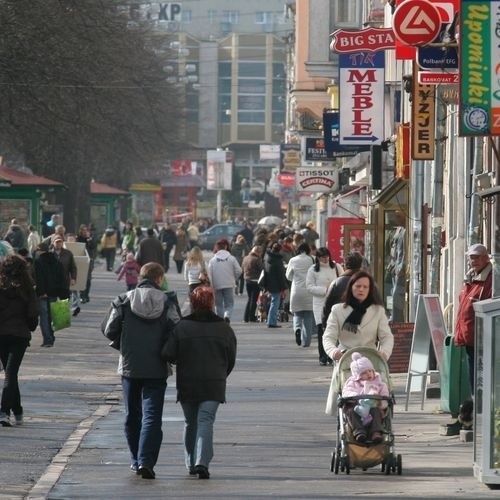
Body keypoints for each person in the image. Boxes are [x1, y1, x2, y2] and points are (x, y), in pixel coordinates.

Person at [101, 262, 181, 479]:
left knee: (132, 415)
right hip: (157, 366)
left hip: (129, 366)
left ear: (140, 277)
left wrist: (124, 341)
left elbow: (109, 330)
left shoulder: (123, 300)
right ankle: (146, 461)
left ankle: (135, 459)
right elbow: (178, 330)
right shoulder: (168, 301)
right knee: (152, 416)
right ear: (159, 279)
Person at [163, 286, 236, 479]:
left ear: (193, 303)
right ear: (212, 303)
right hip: (214, 382)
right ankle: (202, 462)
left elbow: (169, 353)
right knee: (206, 421)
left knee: (190, 422)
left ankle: (190, 461)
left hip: (188, 382)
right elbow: (231, 358)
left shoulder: (182, 327)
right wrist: (221, 373)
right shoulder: (224, 328)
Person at [323, 270, 394, 416]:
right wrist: (333, 352)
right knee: (350, 399)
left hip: (371, 362)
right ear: (351, 287)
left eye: (365, 287)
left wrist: (384, 353)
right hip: (346, 361)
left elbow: (387, 337)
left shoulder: (378, 311)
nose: (361, 289)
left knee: (376, 396)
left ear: (370, 290)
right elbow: (328, 337)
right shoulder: (337, 310)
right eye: (358, 286)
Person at [448, 243, 492, 435]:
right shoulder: (471, 277)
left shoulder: (491, 278)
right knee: (474, 379)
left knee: (482, 379)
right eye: (471, 257)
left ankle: (480, 418)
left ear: (486, 258)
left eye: (476, 257)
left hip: (483, 337)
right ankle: (472, 416)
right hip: (470, 338)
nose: (472, 261)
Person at [0, 255, 39, 426]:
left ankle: (16, 411)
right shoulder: (28, 288)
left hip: (1, 335)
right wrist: (30, 326)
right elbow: (32, 316)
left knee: (10, 373)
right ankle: (5, 412)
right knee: (11, 373)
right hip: (19, 335)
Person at [306, 247, 343, 366]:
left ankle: (332, 355)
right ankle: (322, 356)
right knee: (322, 330)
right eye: (322, 257)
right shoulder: (312, 270)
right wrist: (325, 290)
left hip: (335, 303)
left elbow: (342, 281)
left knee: (334, 330)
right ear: (318, 258)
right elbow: (309, 287)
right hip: (319, 304)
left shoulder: (337, 267)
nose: (325, 259)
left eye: (327, 256)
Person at [342, 352, 389, 443]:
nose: (368, 374)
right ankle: (359, 432)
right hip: (358, 408)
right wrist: (355, 396)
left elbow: (385, 394)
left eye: (370, 371)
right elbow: (346, 392)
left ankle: (376, 432)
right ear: (357, 376)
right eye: (364, 373)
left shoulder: (379, 383)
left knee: (376, 411)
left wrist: (382, 402)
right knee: (351, 412)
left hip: (373, 407)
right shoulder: (352, 383)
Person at [33, 242, 69, 347]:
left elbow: (39, 279)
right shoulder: (57, 262)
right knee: (53, 316)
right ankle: (51, 336)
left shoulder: (38, 262)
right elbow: (63, 279)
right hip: (55, 293)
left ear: (40, 251)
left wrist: (41, 291)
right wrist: (63, 294)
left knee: (45, 317)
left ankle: (48, 339)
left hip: (43, 294)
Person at [322, 252, 363, 328]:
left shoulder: (336, 283)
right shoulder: (368, 283)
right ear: (360, 266)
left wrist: (325, 324)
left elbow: (327, 306)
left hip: (340, 324)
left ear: (345, 266)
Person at [286, 242, 315, 347]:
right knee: (308, 316)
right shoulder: (311, 259)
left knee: (297, 314)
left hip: (296, 290)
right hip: (309, 290)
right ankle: (306, 342)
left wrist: (295, 278)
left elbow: (288, 276)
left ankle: (297, 329)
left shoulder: (293, 260)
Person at [207, 239, 242, 323]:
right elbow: (239, 271)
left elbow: (209, 274)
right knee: (229, 303)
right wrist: (234, 278)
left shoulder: (212, 260)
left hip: (217, 285)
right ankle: (227, 315)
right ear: (226, 247)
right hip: (229, 284)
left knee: (218, 304)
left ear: (217, 248)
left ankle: (220, 320)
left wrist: (211, 285)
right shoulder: (231, 258)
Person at [386, 211, 406, 321]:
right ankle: (391, 313)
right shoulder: (398, 230)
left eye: (398, 216)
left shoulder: (405, 231)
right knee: (389, 291)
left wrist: (401, 267)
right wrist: (391, 264)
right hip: (393, 266)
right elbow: (393, 249)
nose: (395, 219)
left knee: (396, 295)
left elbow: (405, 252)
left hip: (400, 268)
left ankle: (397, 318)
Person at [262, 242, 288, 328]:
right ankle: (271, 322)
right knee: (275, 303)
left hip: (269, 283)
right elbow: (280, 275)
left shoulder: (267, 257)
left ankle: (270, 321)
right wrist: (283, 287)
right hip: (276, 284)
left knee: (273, 302)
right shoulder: (278, 260)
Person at [52, 235, 79, 316]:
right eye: (57, 242)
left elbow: (73, 267)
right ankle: (53, 317)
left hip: (64, 281)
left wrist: (73, 278)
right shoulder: (49, 254)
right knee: (52, 300)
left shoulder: (68, 253)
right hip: (52, 282)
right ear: (53, 243)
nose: (58, 244)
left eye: (60, 242)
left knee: (64, 300)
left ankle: (61, 318)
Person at [241, 245, 263, 323]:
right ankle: (251, 317)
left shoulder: (245, 258)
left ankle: (245, 317)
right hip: (255, 281)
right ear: (258, 252)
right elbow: (262, 269)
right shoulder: (257, 259)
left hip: (247, 280)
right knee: (253, 300)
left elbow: (242, 268)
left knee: (250, 299)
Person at [76, 224, 98, 303]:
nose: (85, 232)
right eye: (83, 230)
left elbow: (94, 246)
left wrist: (89, 239)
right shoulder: (78, 238)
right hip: (80, 259)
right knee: (81, 278)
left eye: (86, 230)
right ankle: (82, 295)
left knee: (88, 278)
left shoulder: (91, 238)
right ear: (80, 231)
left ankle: (86, 294)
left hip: (89, 260)